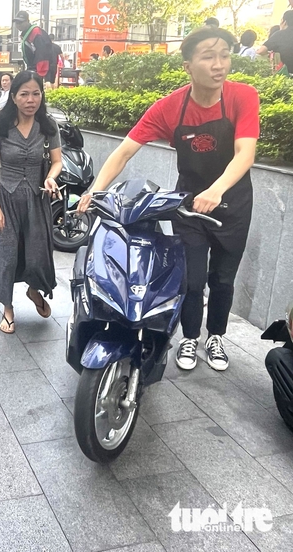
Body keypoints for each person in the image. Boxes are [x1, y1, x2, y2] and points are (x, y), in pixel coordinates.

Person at [78, 26, 260, 372]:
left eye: (224, 55)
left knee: (223, 278)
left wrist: (217, 190)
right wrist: (94, 190)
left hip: (233, 203)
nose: (219, 64)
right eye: (209, 56)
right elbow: (124, 151)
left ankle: (215, 337)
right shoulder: (170, 108)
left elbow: (244, 154)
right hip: (190, 205)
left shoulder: (242, 96)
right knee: (192, 279)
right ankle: (190, 337)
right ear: (188, 65)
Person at [0, 70, 62, 334]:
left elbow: (57, 161)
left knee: (37, 254)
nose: (31, 100)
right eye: (25, 94)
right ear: (14, 97)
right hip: (5, 198)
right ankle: (7, 309)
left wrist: (51, 177)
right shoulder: (0, 126)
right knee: (5, 257)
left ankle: (33, 290)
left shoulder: (48, 125)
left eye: (36, 93)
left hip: (37, 199)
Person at [13, 11, 55, 85]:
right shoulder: (27, 34)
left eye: (21, 22)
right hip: (33, 68)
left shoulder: (36, 33)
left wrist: (40, 74)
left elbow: (43, 54)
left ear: (28, 21)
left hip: (40, 71)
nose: (18, 25)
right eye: (17, 22)